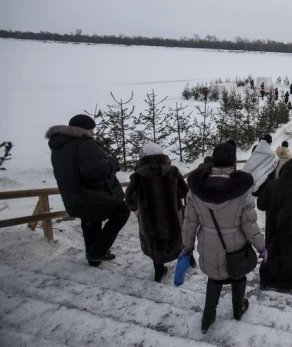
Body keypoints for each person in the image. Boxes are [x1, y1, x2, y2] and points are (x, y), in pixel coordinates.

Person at [181, 143, 266, 334]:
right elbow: (249, 225)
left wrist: (187, 248)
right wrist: (261, 247)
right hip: (235, 246)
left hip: (208, 245)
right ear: (233, 162)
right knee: (238, 275)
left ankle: (208, 317)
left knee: (214, 277)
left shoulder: (196, 189)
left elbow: (189, 223)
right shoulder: (242, 189)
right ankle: (238, 309)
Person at [46, 114, 129, 267]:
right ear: (84, 129)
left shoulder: (59, 147)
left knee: (91, 220)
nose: (94, 132)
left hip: (75, 195)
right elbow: (95, 170)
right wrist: (112, 162)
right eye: (92, 129)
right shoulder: (84, 143)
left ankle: (94, 259)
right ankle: (97, 251)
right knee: (121, 213)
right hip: (91, 193)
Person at [125, 143, 189, 282]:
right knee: (179, 239)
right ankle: (185, 263)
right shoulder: (173, 172)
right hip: (173, 217)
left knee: (154, 244)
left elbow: (130, 201)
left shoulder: (137, 177)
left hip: (150, 221)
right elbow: (185, 192)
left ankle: (158, 271)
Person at [257, 159, 292, 292]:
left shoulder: (273, 184)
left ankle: (266, 281)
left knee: (271, 254)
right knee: (290, 258)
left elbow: (261, 205)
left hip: (273, 228)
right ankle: (285, 284)